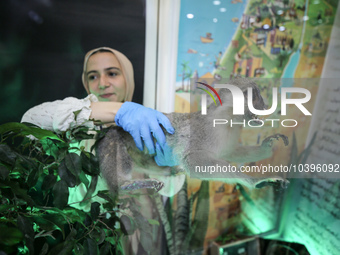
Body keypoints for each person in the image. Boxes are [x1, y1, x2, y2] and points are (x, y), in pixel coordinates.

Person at [21, 46, 176, 166]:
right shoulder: (72, 124)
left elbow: (170, 190)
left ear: (127, 78)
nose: (102, 84)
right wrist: (120, 111)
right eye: (93, 76)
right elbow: (29, 121)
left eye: (112, 73)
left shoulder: (148, 125)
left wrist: (166, 167)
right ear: (86, 83)